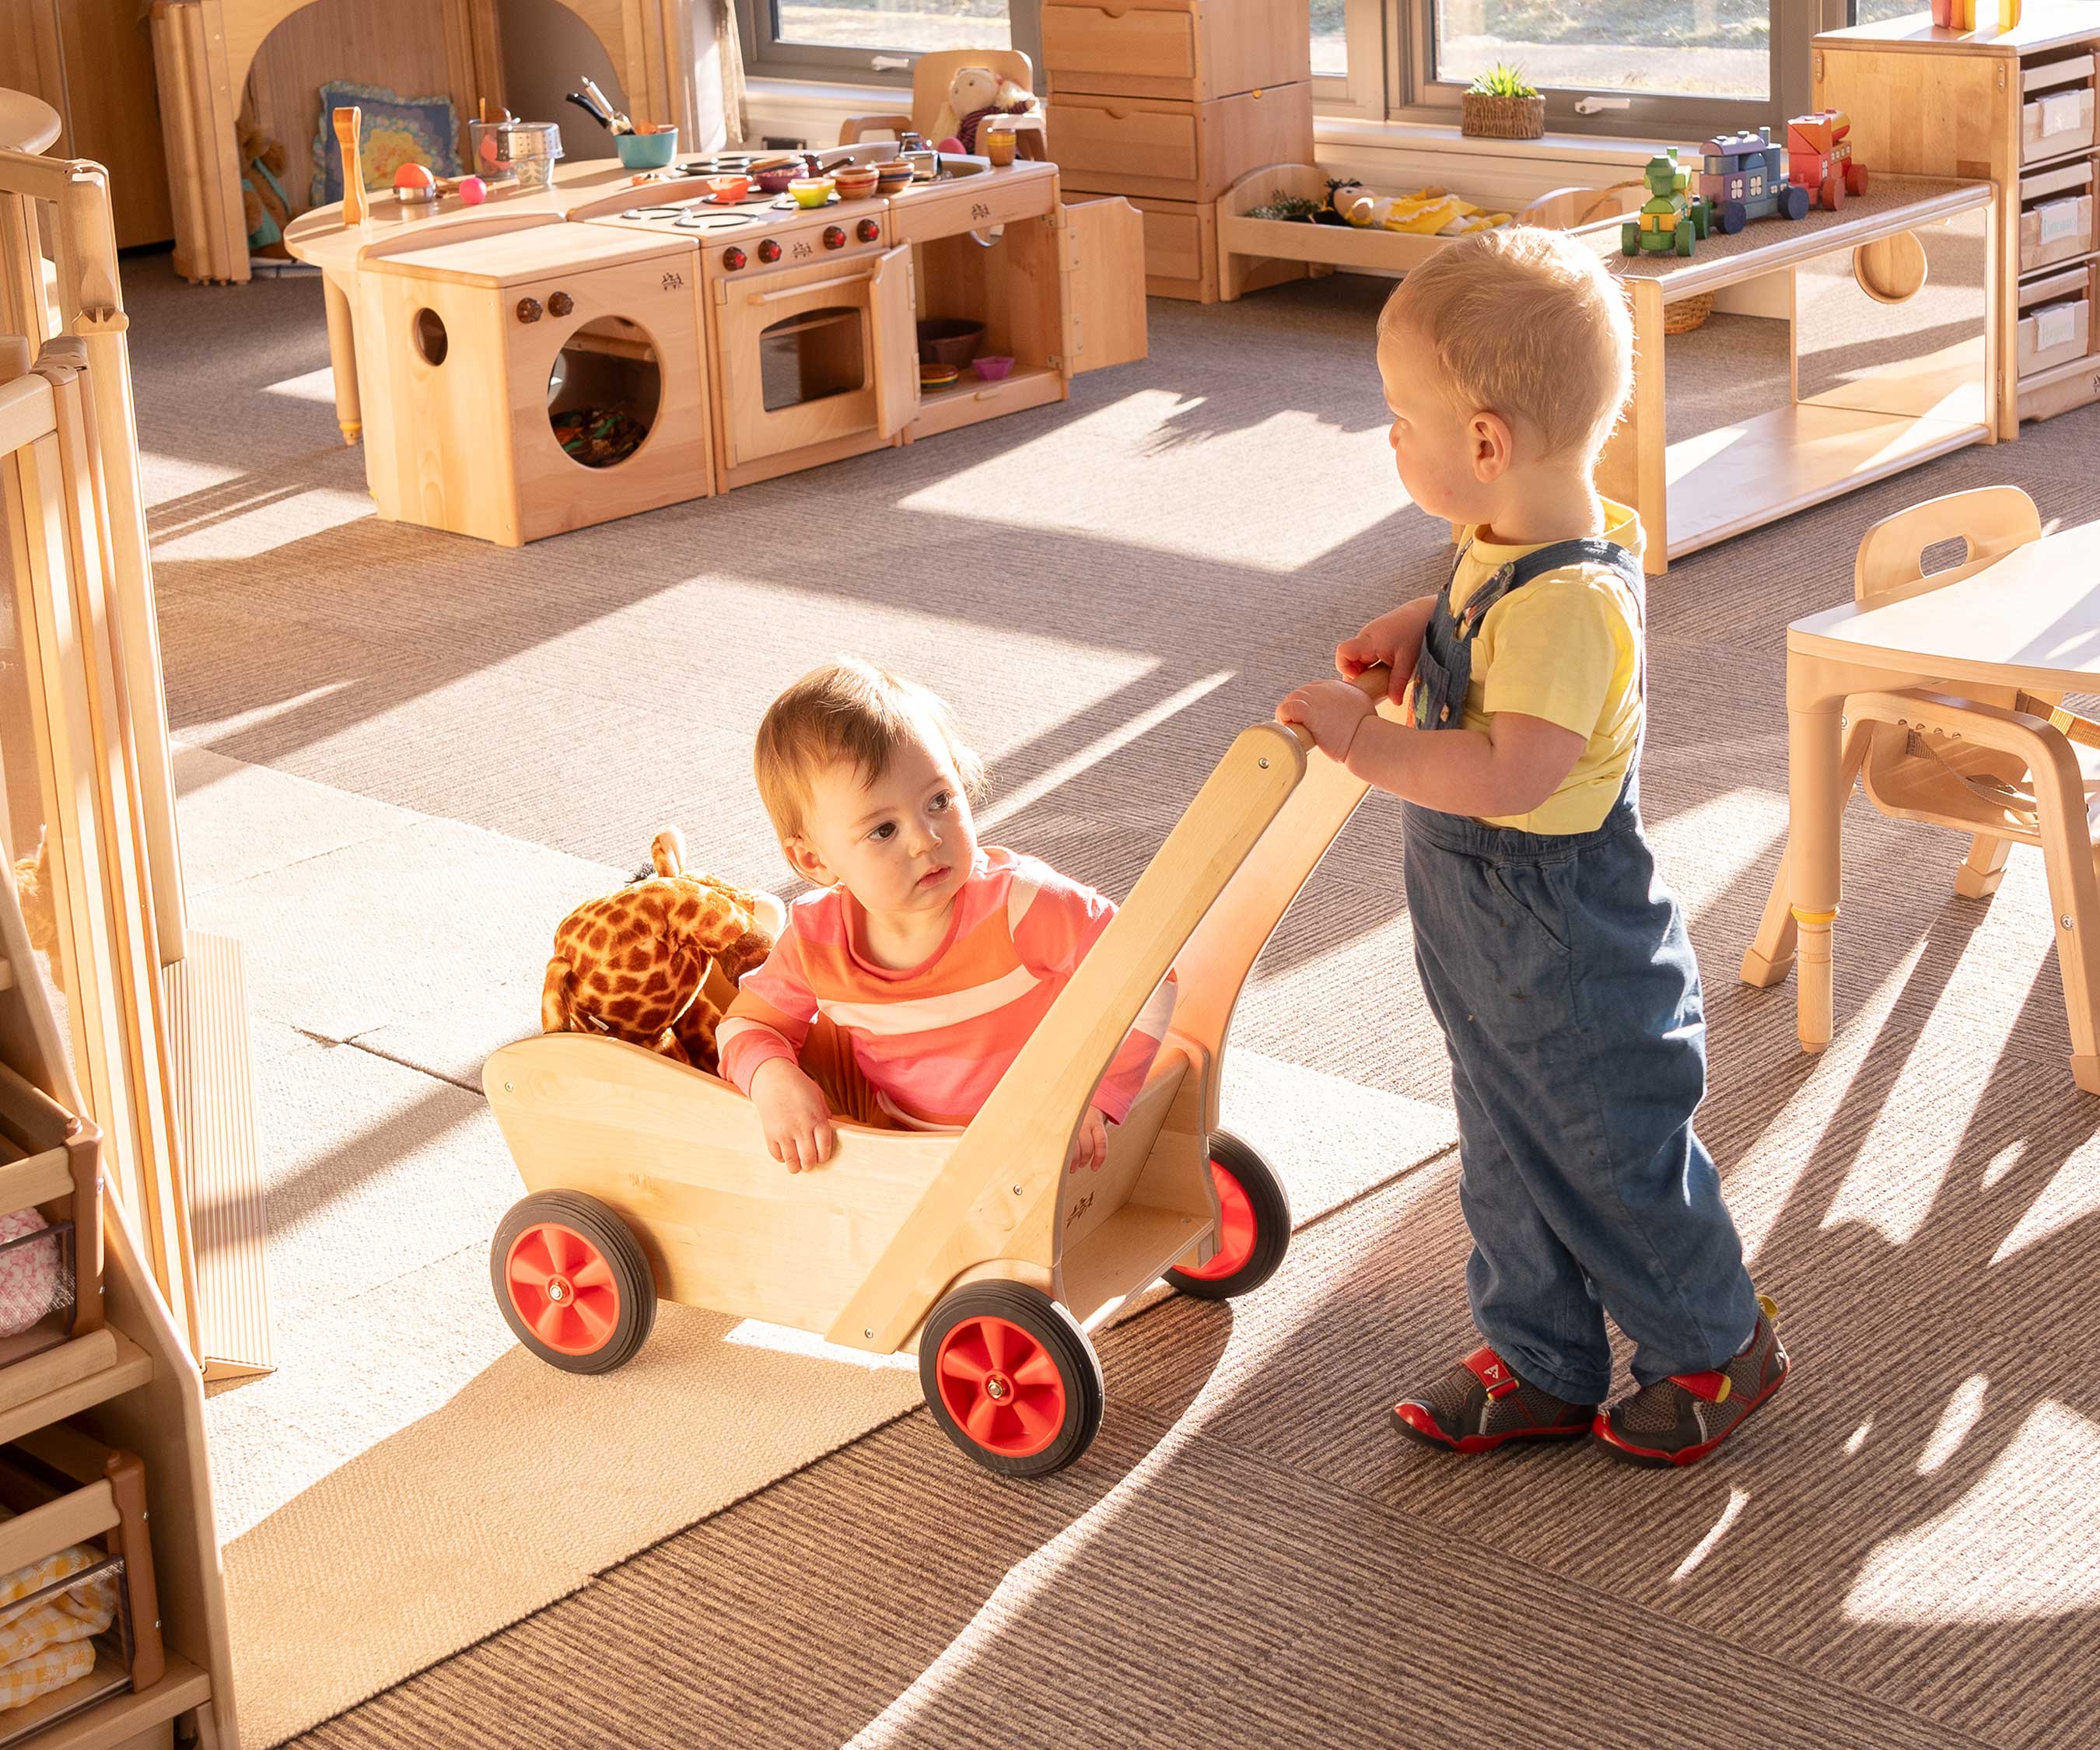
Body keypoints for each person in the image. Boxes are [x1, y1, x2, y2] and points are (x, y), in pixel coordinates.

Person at [1276, 227, 1787, 1468]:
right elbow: (1479, 606)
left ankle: (1717, 1343)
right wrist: (1421, 625)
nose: (1391, 437)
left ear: (1486, 443)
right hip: (1483, 932)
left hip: (1563, 930)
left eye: (1404, 417)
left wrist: (1364, 741)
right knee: (1503, 1133)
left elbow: (1512, 773)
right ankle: (1543, 1353)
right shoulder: (1517, 538)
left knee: (1607, 1149)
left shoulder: (1570, 602)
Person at [719, 658, 1173, 1174]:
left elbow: (1148, 970)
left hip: (1043, 1154)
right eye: (883, 830)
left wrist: (1095, 1092)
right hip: (913, 1165)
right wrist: (773, 1077)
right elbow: (744, 1026)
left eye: (939, 800)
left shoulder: (1021, 905)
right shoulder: (814, 940)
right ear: (814, 861)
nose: (925, 838)